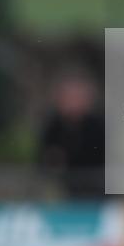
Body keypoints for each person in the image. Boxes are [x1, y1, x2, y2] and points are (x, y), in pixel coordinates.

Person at [37, 69, 105, 198]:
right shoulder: (52, 126)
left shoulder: (99, 126)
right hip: (65, 194)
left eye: (78, 97)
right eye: (69, 97)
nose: (74, 102)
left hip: (97, 195)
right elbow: (42, 162)